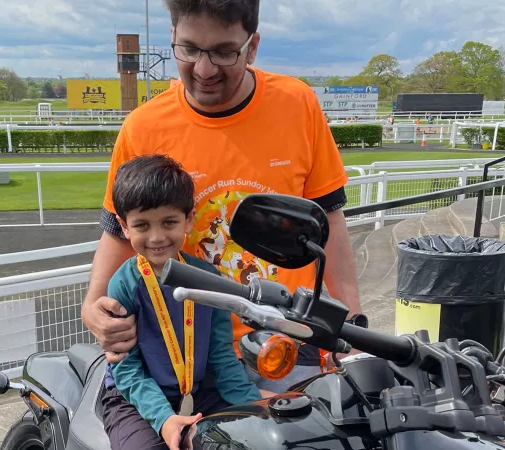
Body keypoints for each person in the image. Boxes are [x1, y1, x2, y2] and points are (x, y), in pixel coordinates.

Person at [81, 0, 362, 392]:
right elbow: (118, 232)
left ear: (253, 46)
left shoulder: (297, 104)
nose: (204, 69)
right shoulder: (143, 128)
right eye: (190, 49)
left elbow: (329, 220)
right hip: (190, 353)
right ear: (173, 38)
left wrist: (353, 328)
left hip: (291, 346)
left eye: (224, 52)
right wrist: (93, 306)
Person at [101, 154, 261, 450]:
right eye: (142, 226)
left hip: (198, 392)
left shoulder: (207, 278)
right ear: (124, 227)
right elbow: (127, 369)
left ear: (188, 220)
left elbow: (221, 354)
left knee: (251, 437)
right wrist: (164, 419)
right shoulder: (124, 284)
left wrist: (257, 407)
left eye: (169, 222)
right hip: (133, 398)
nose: (157, 236)